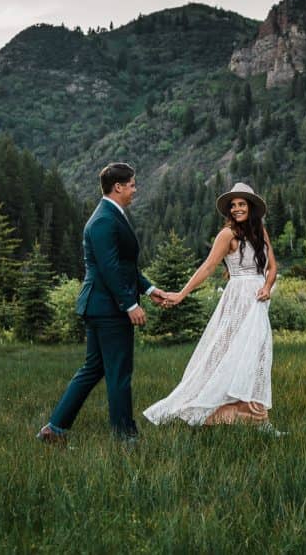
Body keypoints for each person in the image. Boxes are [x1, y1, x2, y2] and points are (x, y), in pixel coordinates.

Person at [37, 163, 165, 444]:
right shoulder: (105, 219)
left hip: (99, 306)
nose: (135, 189)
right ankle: (125, 437)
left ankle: (54, 429)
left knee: (93, 368)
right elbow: (109, 268)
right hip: (108, 308)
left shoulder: (110, 215)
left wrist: (150, 288)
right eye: (132, 184)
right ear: (117, 187)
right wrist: (130, 305)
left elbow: (123, 264)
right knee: (119, 372)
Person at [143, 183, 280, 429]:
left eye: (242, 204)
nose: (237, 209)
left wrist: (268, 287)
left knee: (258, 351)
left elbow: (272, 266)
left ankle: (253, 411)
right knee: (231, 349)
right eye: (233, 205)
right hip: (238, 297)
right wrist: (182, 294)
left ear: (251, 207)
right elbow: (207, 267)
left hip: (258, 299)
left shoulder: (260, 230)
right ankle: (213, 407)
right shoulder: (227, 235)